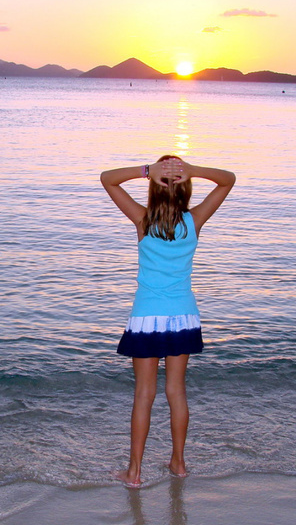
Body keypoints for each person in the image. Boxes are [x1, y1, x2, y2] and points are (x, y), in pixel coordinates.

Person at [101, 156, 235, 487]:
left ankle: (134, 472)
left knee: (144, 394)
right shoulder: (195, 221)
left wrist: (147, 170)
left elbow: (107, 178)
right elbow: (228, 179)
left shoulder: (143, 220)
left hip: (147, 317)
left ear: (154, 186)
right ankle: (178, 463)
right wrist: (194, 170)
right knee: (176, 391)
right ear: (186, 187)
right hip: (183, 316)